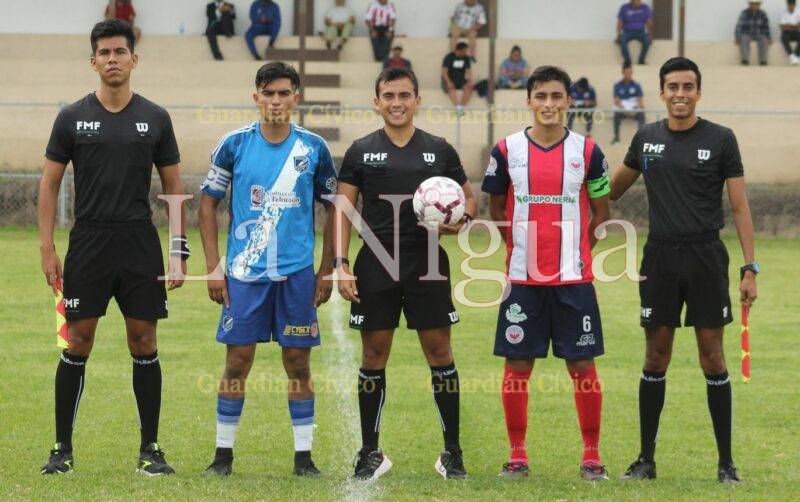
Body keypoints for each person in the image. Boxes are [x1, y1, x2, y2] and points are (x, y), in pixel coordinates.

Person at [38, 19, 186, 476]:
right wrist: (47, 246)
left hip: (139, 243)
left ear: (133, 59)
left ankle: (152, 450)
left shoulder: (156, 118)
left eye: (120, 52)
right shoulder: (71, 118)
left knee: (144, 340)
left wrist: (178, 250)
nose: (112, 60)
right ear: (93, 61)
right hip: (89, 242)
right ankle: (61, 450)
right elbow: (49, 185)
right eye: (104, 53)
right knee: (78, 342)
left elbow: (175, 187)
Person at [611, 57, 758, 484]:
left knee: (712, 356)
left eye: (688, 86)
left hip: (706, 257)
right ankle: (645, 461)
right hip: (660, 258)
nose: (680, 93)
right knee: (656, 354)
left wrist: (750, 268)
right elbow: (613, 188)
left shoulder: (721, 139)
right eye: (672, 86)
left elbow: (740, 206)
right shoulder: (647, 138)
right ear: (661, 92)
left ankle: (726, 464)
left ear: (698, 92)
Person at [334, 67, 478, 480]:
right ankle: (370, 452)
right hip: (376, 263)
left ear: (417, 100)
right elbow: (342, 212)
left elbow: (469, 197)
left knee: (440, 355)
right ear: (376, 101)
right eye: (388, 95)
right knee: (374, 355)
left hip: (427, 262)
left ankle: (452, 452)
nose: (396, 102)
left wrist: (463, 219)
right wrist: (341, 265)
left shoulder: (439, 149)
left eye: (404, 95)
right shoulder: (361, 151)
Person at [198, 61, 336, 477]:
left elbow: (334, 209)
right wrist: (213, 267)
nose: (276, 100)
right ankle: (222, 457)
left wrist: (326, 269)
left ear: (297, 97)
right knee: (237, 362)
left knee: (298, 363)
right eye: (268, 93)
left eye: (284, 93)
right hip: (244, 273)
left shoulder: (313, 148)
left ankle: (303, 458)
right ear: (256, 96)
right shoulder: (234, 144)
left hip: (296, 275)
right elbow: (207, 203)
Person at [482, 65, 611, 482]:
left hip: (574, 281)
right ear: (529, 101)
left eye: (557, 97)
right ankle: (517, 455)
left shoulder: (589, 152)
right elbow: (498, 210)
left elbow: (602, 211)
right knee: (518, 365)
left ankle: (591, 456)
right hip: (522, 281)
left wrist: (576, 252)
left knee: (582, 366)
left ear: (569, 101)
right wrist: (520, 250)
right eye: (541, 96)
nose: (549, 104)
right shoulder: (506, 150)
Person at [612, 63, 645, 144]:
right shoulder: (617, 85)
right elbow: (616, 101)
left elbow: (640, 101)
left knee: (642, 115)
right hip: (623, 109)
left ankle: (640, 139)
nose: (629, 74)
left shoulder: (636, 85)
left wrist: (635, 111)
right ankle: (616, 138)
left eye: (630, 72)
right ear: (622, 72)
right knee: (616, 116)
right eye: (627, 72)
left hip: (634, 109)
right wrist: (625, 111)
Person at [616, 0, 653, 65]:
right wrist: (618, 35)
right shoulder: (624, 8)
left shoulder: (645, 8)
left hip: (641, 32)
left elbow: (649, 23)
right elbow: (620, 22)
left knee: (647, 41)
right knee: (622, 41)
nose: (639, 2)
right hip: (627, 31)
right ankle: (627, 60)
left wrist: (650, 36)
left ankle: (641, 60)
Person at [735, 0, 772, 66]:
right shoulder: (744, 13)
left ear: (759, 5)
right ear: (749, 4)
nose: (754, 6)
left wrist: (769, 37)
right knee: (743, 39)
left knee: (764, 39)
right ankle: (745, 61)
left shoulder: (763, 14)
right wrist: (737, 37)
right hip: (747, 33)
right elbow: (739, 26)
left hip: (759, 34)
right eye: (752, 4)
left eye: (755, 4)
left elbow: (766, 27)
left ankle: (763, 61)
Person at [441, 42, 474, 112]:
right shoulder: (449, 57)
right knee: (451, 88)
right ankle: (457, 108)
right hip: (449, 79)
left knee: (469, 88)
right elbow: (444, 72)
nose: (465, 53)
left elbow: (469, 72)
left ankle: (460, 108)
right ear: (457, 50)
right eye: (463, 52)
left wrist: (470, 81)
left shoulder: (466, 58)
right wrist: (449, 82)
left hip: (460, 80)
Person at [780, 0, 800, 65]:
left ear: (794, 5)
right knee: (783, 38)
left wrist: (789, 25)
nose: (791, 7)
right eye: (789, 5)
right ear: (788, 5)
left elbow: (799, 26)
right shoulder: (783, 12)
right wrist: (794, 26)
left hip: (796, 32)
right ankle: (791, 55)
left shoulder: (798, 12)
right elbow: (782, 27)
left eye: (792, 5)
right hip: (786, 32)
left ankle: (795, 55)